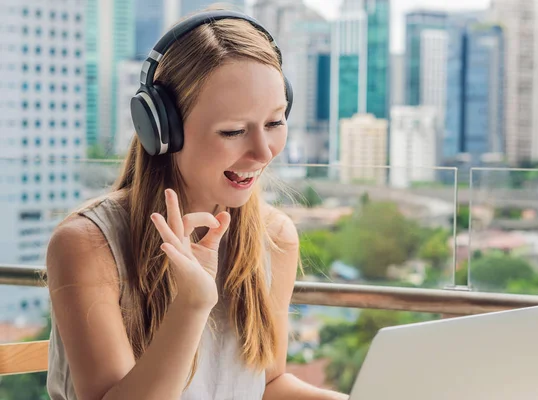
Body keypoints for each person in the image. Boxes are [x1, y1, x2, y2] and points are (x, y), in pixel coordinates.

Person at [45, 9, 348, 400]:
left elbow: (267, 384)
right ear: (161, 130)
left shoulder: (274, 238)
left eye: (274, 123)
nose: (263, 151)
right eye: (233, 131)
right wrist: (192, 304)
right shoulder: (87, 245)